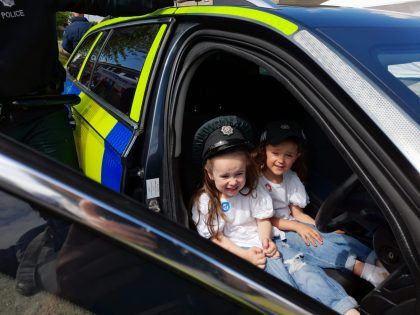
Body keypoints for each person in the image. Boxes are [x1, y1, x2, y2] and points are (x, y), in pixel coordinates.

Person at [0, 0, 173, 296]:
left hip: (42, 111)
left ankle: (57, 254)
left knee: (62, 197)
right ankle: (28, 250)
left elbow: (105, 1)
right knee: (12, 207)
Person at [191, 115, 359, 315]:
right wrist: (246, 256)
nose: (233, 182)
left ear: (246, 169)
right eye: (225, 176)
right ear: (210, 174)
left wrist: (265, 239)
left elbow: (262, 219)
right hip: (240, 251)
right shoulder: (206, 202)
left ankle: (343, 307)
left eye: (238, 174)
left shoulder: (252, 189)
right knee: (282, 286)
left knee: (304, 271)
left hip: (268, 242)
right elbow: (217, 238)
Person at [253, 120, 389, 287]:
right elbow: (265, 219)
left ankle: (377, 260)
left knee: (335, 236)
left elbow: (298, 214)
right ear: (264, 150)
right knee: (316, 243)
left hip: (292, 223)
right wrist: (298, 227)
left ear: (297, 156)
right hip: (276, 232)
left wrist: (321, 228)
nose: (281, 160)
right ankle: (367, 272)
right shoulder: (256, 180)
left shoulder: (291, 178)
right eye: (275, 153)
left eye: (288, 155)